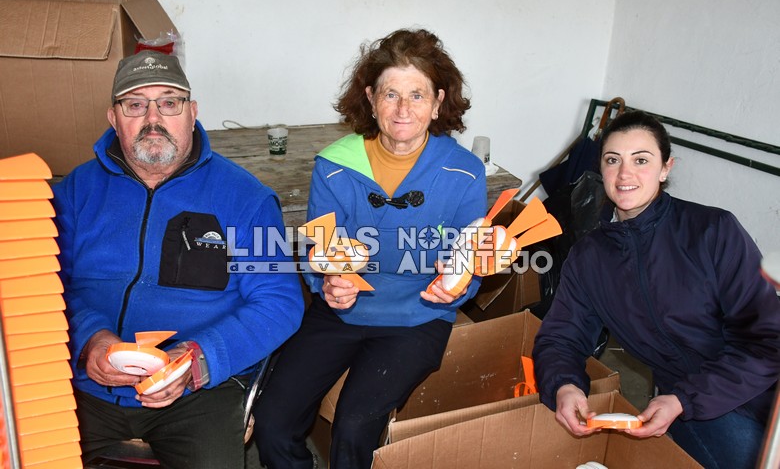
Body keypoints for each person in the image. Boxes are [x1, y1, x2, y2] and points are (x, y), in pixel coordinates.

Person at [52, 49, 304, 468]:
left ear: (192, 112)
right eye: (135, 105)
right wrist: (88, 341)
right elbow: (46, 285)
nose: (153, 119)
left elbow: (280, 303)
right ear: (113, 118)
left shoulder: (248, 199)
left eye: (169, 102)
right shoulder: (75, 192)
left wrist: (196, 360)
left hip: (199, 393)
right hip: (80, 386)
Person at [253, 28, 487, 468]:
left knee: (354, 428)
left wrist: (456, 287)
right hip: (342, 311)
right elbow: (320, 250)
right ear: (370, 98)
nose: (403, 109)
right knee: (272, 422)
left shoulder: (465, 172)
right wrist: (327, 282)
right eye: (390, 94)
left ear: (438, 102)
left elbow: (471, 256)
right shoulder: (334, 165)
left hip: (418, 315)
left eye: (417, 95)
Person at [532, 110, 780, 469]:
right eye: (612, 160)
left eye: (641, 160)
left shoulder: (713, 231)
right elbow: (560, 338)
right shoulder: (589, 258)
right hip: (692, 407)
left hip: (758, 386)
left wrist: (684, 398)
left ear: (665, 168)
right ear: (601, 169)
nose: (624, 174)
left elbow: (767, 340)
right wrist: (564, 386)